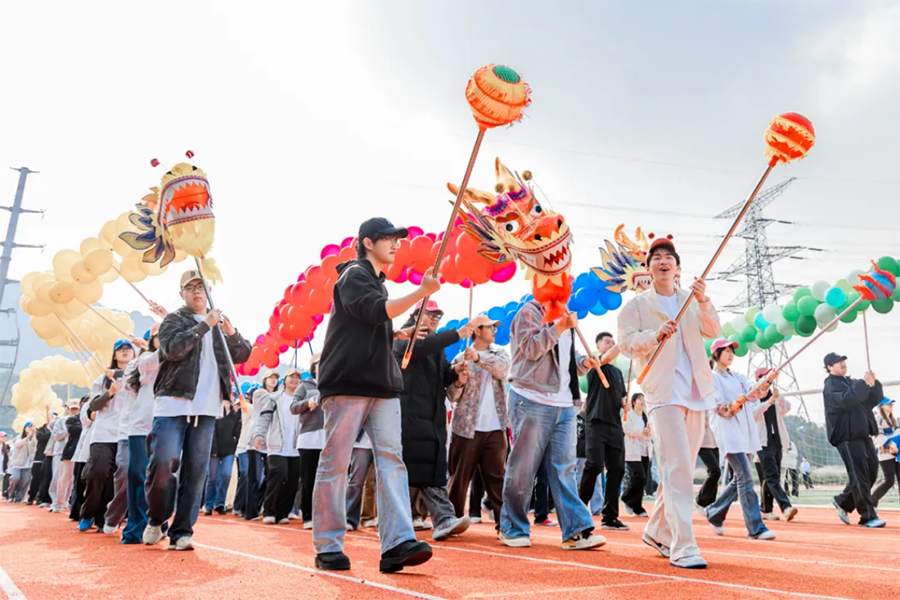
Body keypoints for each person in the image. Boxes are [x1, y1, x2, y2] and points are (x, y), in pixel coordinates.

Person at [313, 217, 440, 573]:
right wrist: (421, 291)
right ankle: (328, 545)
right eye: (389, 239)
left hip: (382, 384)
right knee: (336, 462)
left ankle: (397, 543)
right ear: (368, 242)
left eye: (398, 239)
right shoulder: (353, 273)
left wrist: (394, 334)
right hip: (348, 383)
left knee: (392, 461)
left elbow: (369, 324)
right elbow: (371, 312)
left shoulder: (376, 283)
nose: (397, 244)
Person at [617, 235, 721, 569]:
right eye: (657, 258)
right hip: (662, 395)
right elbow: (625, 344)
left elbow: (712, 330)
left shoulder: (691, 299)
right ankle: (683, 546)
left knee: (682, 469)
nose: (663, 261)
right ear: (648, 268)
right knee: (677, 470)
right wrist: (654, 335)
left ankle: (658, 530)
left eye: (669, 257)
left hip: (696, 392)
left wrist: (704, 301)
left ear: (677, 267)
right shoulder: (636, 306)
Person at [143, 269, 252, 550]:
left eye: (201, 286)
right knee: (163, 465)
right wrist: (204, 324)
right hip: (172, 404)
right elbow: (173, 349)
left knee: (196, 472)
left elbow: (241, 355)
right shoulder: (173, 320)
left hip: (207, 409)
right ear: (181, 294)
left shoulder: (219, 323)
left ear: (209, 290)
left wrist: (231, 332)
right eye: (189, 288)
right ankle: (156, 519)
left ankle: (182, 531)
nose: (196, 291)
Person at [500, 295, 605, 551]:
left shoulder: (565, 313)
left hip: (566, 403)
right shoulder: (530, 310)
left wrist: (584, 363)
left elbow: (565, 355)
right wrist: (559, 326)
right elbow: (532, 348)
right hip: (532, 398)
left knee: (565, 468)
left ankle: (576, 530)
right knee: (523, 467)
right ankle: (512, 527)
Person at [394, 301, 477, 541]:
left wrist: (456, 372)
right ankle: (403, 522)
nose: (434, 319)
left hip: (432, 417)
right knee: (407, 472)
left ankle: (442, 519)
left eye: (438, 316)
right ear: (416, 314)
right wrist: (457, 334)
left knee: (433, 469)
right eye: (430, 315)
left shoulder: (435, 346)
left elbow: (442, 374)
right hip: (408, 416)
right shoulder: (403, 338)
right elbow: (419, 348)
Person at [704, 339, 774, 541]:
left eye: (732, 351)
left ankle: (714, 513)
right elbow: (721, 408)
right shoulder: (711, 378)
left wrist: (767, 381)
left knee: (740, 479)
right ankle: (755, 528)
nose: (730, 354)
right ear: (716, 354)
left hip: (745, 432)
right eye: (725, 351)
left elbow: (754, 394)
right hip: (729, 432)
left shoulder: (739, 377)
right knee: (746, 478)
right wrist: (734, 404)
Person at [447, 316, 510, 528]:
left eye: (495, 326)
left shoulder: (500, 353)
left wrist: (478, 360)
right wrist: (458, 381)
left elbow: (502, 370)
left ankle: (505, 524)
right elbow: (452, 396)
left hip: (495, 427)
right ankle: (452, 520)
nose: (494, 330)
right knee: (459, 479)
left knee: (498, 478)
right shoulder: (459, 358)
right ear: (477, 330)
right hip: (466, 427)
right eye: (490, 326)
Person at [822, 352, 885, 528]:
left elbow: (872, 400)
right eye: (838, 362)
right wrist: (863, 384)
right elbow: (848, 400)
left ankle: (843, 502)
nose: (842, 364)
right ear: (829, 367)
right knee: (860, 476)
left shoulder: (850, 382)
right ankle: (867, 515)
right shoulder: (831, 386)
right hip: (847, 437)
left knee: (871, 472)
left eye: (843, 361)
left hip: (863, 435)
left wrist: (874, 385)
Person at [80, 339, 136, 533]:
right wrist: (110, 392)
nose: (125, 351)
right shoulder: (102, 379)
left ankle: (108, 517)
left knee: (121, 477)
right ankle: (88, 513)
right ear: (114, 354)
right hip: (104, 433)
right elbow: (93, 407)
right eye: (121, 349)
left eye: (129, 348)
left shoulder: (140, 376)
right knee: (97, 472)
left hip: (129, 433)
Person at [578, 332, 628, 531]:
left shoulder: (618, 373)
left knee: (617, 470)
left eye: (613, 342)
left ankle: (610, 517)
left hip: (615, 426)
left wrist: (625, 405)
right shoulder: (595, 364)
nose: (612, 344)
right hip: (596, 422)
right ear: (598, 347)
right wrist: (627, 340)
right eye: (607, 342)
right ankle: (579, 511)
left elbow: (621, 397)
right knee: (594, 466)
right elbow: (605, 358)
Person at [120, 325, 161, 543]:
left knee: (160, 477)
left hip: (166, 425)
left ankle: (157, 521)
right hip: (139, 426)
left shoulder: (180, 362)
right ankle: (136, 528)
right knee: (138, 476)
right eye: (159, 336)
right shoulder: (140, 362)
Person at [253, 369, 304, 525]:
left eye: (297, 378)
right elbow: (264, 418)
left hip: (296, 447)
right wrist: (259, 435)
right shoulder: (274, 398)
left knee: (292, 480)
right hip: (277, 446)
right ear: (285, 380)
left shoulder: (302, 400)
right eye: (291, 377)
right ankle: (270, 510)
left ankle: (283, 512)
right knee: (278, 474)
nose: (294, 380)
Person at [753, 368, 798, 522]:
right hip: (761, 443)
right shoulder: (752, 397)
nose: (767, 382)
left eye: (769, 379)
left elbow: (786, 408)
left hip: (776, 441)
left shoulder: (775, 396)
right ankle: (785, 506)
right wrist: (767, 402)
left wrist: (778, 398)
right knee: (771, 476)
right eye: (763, 378)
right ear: (757, 380)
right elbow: (753, 415)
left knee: (770, 477)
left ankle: (765, 509)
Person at [291, 356, 323, 529]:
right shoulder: (304, 386)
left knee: (326, 481)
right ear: (314, 367)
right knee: (308, 479)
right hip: (309, 439)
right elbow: (293, 407)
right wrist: (307, 403)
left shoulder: (332, 385)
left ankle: (324, 516)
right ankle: (308, 516)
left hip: (329, 438)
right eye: (320, 363)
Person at [242, 375, 277, 521]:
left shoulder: (278, 396)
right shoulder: (259, 393)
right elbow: (272, 399)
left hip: (270, 440)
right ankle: (250, 512)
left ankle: (258, 506)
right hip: (254, 439)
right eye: (270, 378)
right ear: (265, 380)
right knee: (254, 477)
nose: (273, 380)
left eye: (276, 378)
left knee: (269, 477)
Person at [206, 392, 241, 516]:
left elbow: (238, 432)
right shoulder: (215, 412)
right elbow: (212, 432)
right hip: (214, 450)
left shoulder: (236, 414)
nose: (229, 397)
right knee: (213, 478)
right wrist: (213, 449)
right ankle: (209, 505)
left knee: (226, 475)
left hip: (229, 450)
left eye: (232, 395)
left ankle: (220, 503)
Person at [622, 393, 651, 517]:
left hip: (644, 451)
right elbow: (627, 430)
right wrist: (641, 432)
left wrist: (649, 432)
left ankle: (637, 506)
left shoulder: (646, 417)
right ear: (634, 402)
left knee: (642, 479)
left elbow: (650, 434)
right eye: (640, 399)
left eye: (644, 400)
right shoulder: (629, 415)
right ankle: (627, 497)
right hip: (632, 451)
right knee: (639, 477)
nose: (643, 402)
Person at [51, 399, 81, 513]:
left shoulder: (83, 419)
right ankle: (57, 502)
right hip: (64, 452)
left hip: (79, 451)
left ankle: (68, 501)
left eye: (76, 409)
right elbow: (57, 436)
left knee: (74, 480)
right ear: (67, 409)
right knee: (62, 478)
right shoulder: (62, 421)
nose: (74, 411)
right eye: (72, 408)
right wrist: (69, 431)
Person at [872, 398, 899, 507]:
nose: (891, 406)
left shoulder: (892, 419)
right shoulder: (878, 419)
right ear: (881, 406)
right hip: (885, 454)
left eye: (891, 404)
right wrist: (891, 444)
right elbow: (878, 436)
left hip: (896, 454)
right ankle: (872, 501)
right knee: (889, 481)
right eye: (888, 404)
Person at [696, 411, 721, 516]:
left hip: (715, 443)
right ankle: (700, 501)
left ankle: (710, 504)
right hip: (703, 443)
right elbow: (702, 423)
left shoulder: (714, 405)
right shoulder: (700, 406)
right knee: (715, 472)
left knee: (714, 473)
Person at [7, 424, 37, 503]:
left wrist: (33, 436)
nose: (30, 429)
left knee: (25, 481)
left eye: (32, 427)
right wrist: (27, 437)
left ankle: (19, 498)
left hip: (28, 463)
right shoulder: (19, 437)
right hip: (18, 462)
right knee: (15, 478)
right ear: (25, 428)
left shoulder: (34, 437)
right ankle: (11, 493)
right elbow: (18, 445)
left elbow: (37, 445)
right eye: (29, 427)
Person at [26, 416, 52, 505]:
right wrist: (51, 431)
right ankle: (31, 497)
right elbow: (42, 438)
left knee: (45, 479)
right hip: (39, 458)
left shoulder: (57, 428)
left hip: (50, 457)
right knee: (36, 479)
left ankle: (40, 498)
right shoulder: (41, 431)